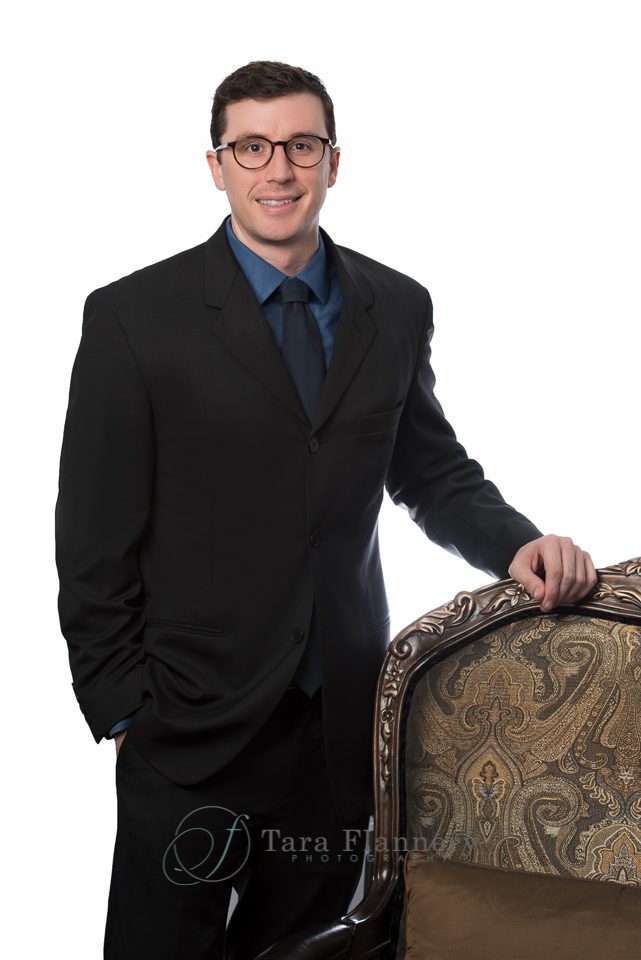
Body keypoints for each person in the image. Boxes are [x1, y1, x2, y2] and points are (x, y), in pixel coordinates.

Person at [55, 61, 596, 959]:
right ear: (215, 164)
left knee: (316, 950)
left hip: (335, 723)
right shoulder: (132, 318)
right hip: (190, 725)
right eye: (252, 147)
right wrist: (121, 708)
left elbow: (431, 471)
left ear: (332, 162)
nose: (278, 169)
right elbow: (92, 534)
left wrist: (518, 543)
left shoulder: (395, 304)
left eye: (300, 146)